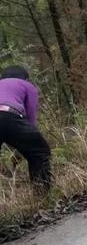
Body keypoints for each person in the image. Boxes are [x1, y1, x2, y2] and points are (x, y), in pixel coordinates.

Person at [0, 65, 51, 194]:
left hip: (6, 116)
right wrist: (24, 146)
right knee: (39, 152)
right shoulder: (27, 86)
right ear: (26, 78)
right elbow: (31, 117)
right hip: (10, 116)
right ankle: (41, 194)